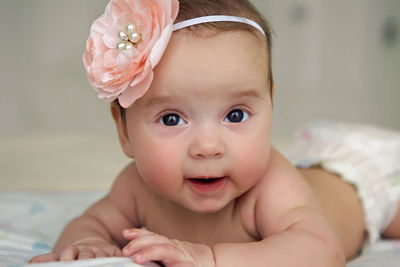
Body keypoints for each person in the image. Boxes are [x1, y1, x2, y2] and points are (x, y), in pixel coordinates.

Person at [30, 0, 400, 266]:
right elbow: (92, 221)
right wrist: (87, 242)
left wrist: (210, 257)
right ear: (123, 131)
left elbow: (323, 251)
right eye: (172, 119)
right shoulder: (136, 187)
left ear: (270, 105)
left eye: (235, 114)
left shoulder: (271, 185)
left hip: (367, 188)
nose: (208, 146)